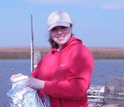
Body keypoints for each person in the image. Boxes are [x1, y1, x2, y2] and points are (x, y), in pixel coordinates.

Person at [11, 10, 93, 107]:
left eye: (63, 27)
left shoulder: (80, 52)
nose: (59, 32)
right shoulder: (46, 59)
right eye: (54, 29)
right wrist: (22, 79)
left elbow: (78, 89)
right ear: (50, 32)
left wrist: (42, 85)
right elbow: (33, 82)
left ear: (71, 27)